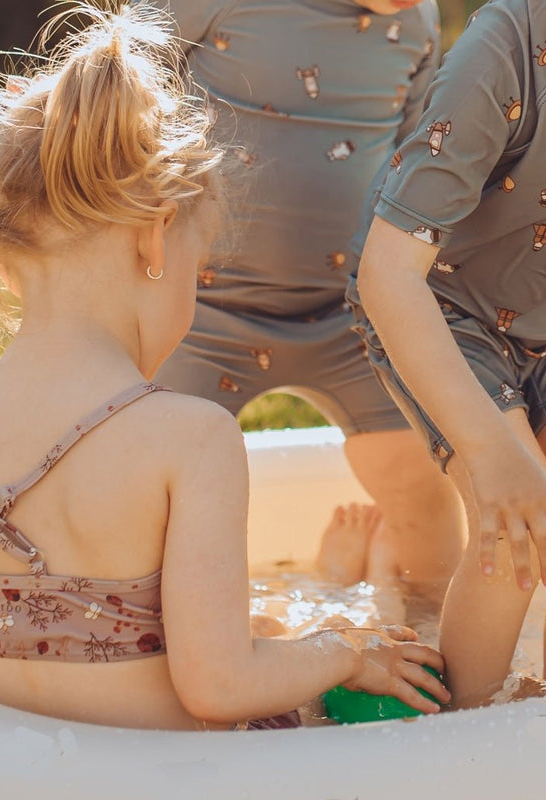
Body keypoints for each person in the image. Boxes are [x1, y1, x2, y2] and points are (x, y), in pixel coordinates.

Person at [0, 1, 449, 731]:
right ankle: (367, 589)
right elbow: (221, 685)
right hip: (190, 771)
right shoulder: (189, 438)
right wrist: (347, 654)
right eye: (199, 266)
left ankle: (352, 578)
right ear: (158, 240)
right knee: (349, 660)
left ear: (7, 262)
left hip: (31, 774)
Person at [348, 0, 546, 708]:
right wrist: (494, 455)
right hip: (441, 302)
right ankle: (457, 744)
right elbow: (386, 274)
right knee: (517, 526)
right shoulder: (509, 46)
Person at [148, 0, 466, 603]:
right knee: (155, 490)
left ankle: (424, 628)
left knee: (421, 486)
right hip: (199, 308)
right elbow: (118, 82)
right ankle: (200, 635)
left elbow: (417, 155)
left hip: (352, 312)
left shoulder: (417, 23)